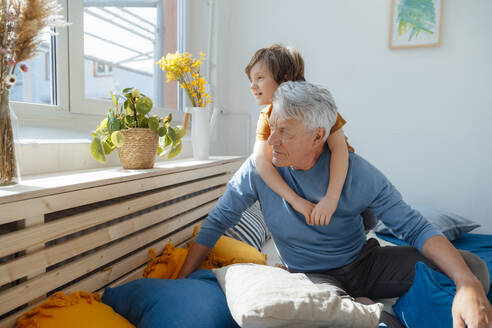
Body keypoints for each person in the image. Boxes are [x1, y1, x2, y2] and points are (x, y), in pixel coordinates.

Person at [179, 81, 492, 327]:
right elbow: (218, 221)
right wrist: (180, 278)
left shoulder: (358, 173)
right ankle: (375, 314)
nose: (271, 140)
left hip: (365, 262)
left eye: (284, 132)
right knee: (323, 319)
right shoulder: (258, 170)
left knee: (472, 268)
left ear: (318, 137)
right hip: (311, 275)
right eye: (271, 127)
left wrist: (465, 283)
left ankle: (376, 308)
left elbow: (414, 227)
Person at [246, 44, 355, 227]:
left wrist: (331, 198)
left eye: (259, 78)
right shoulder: (266, 116)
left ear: (285, 80)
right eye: (251, 79)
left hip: (343, 183)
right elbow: (261, 161)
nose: (252, 86)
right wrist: (295, 200)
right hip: (307, 186)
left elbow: (340, 150)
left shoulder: (317, 107)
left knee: (365, 218)